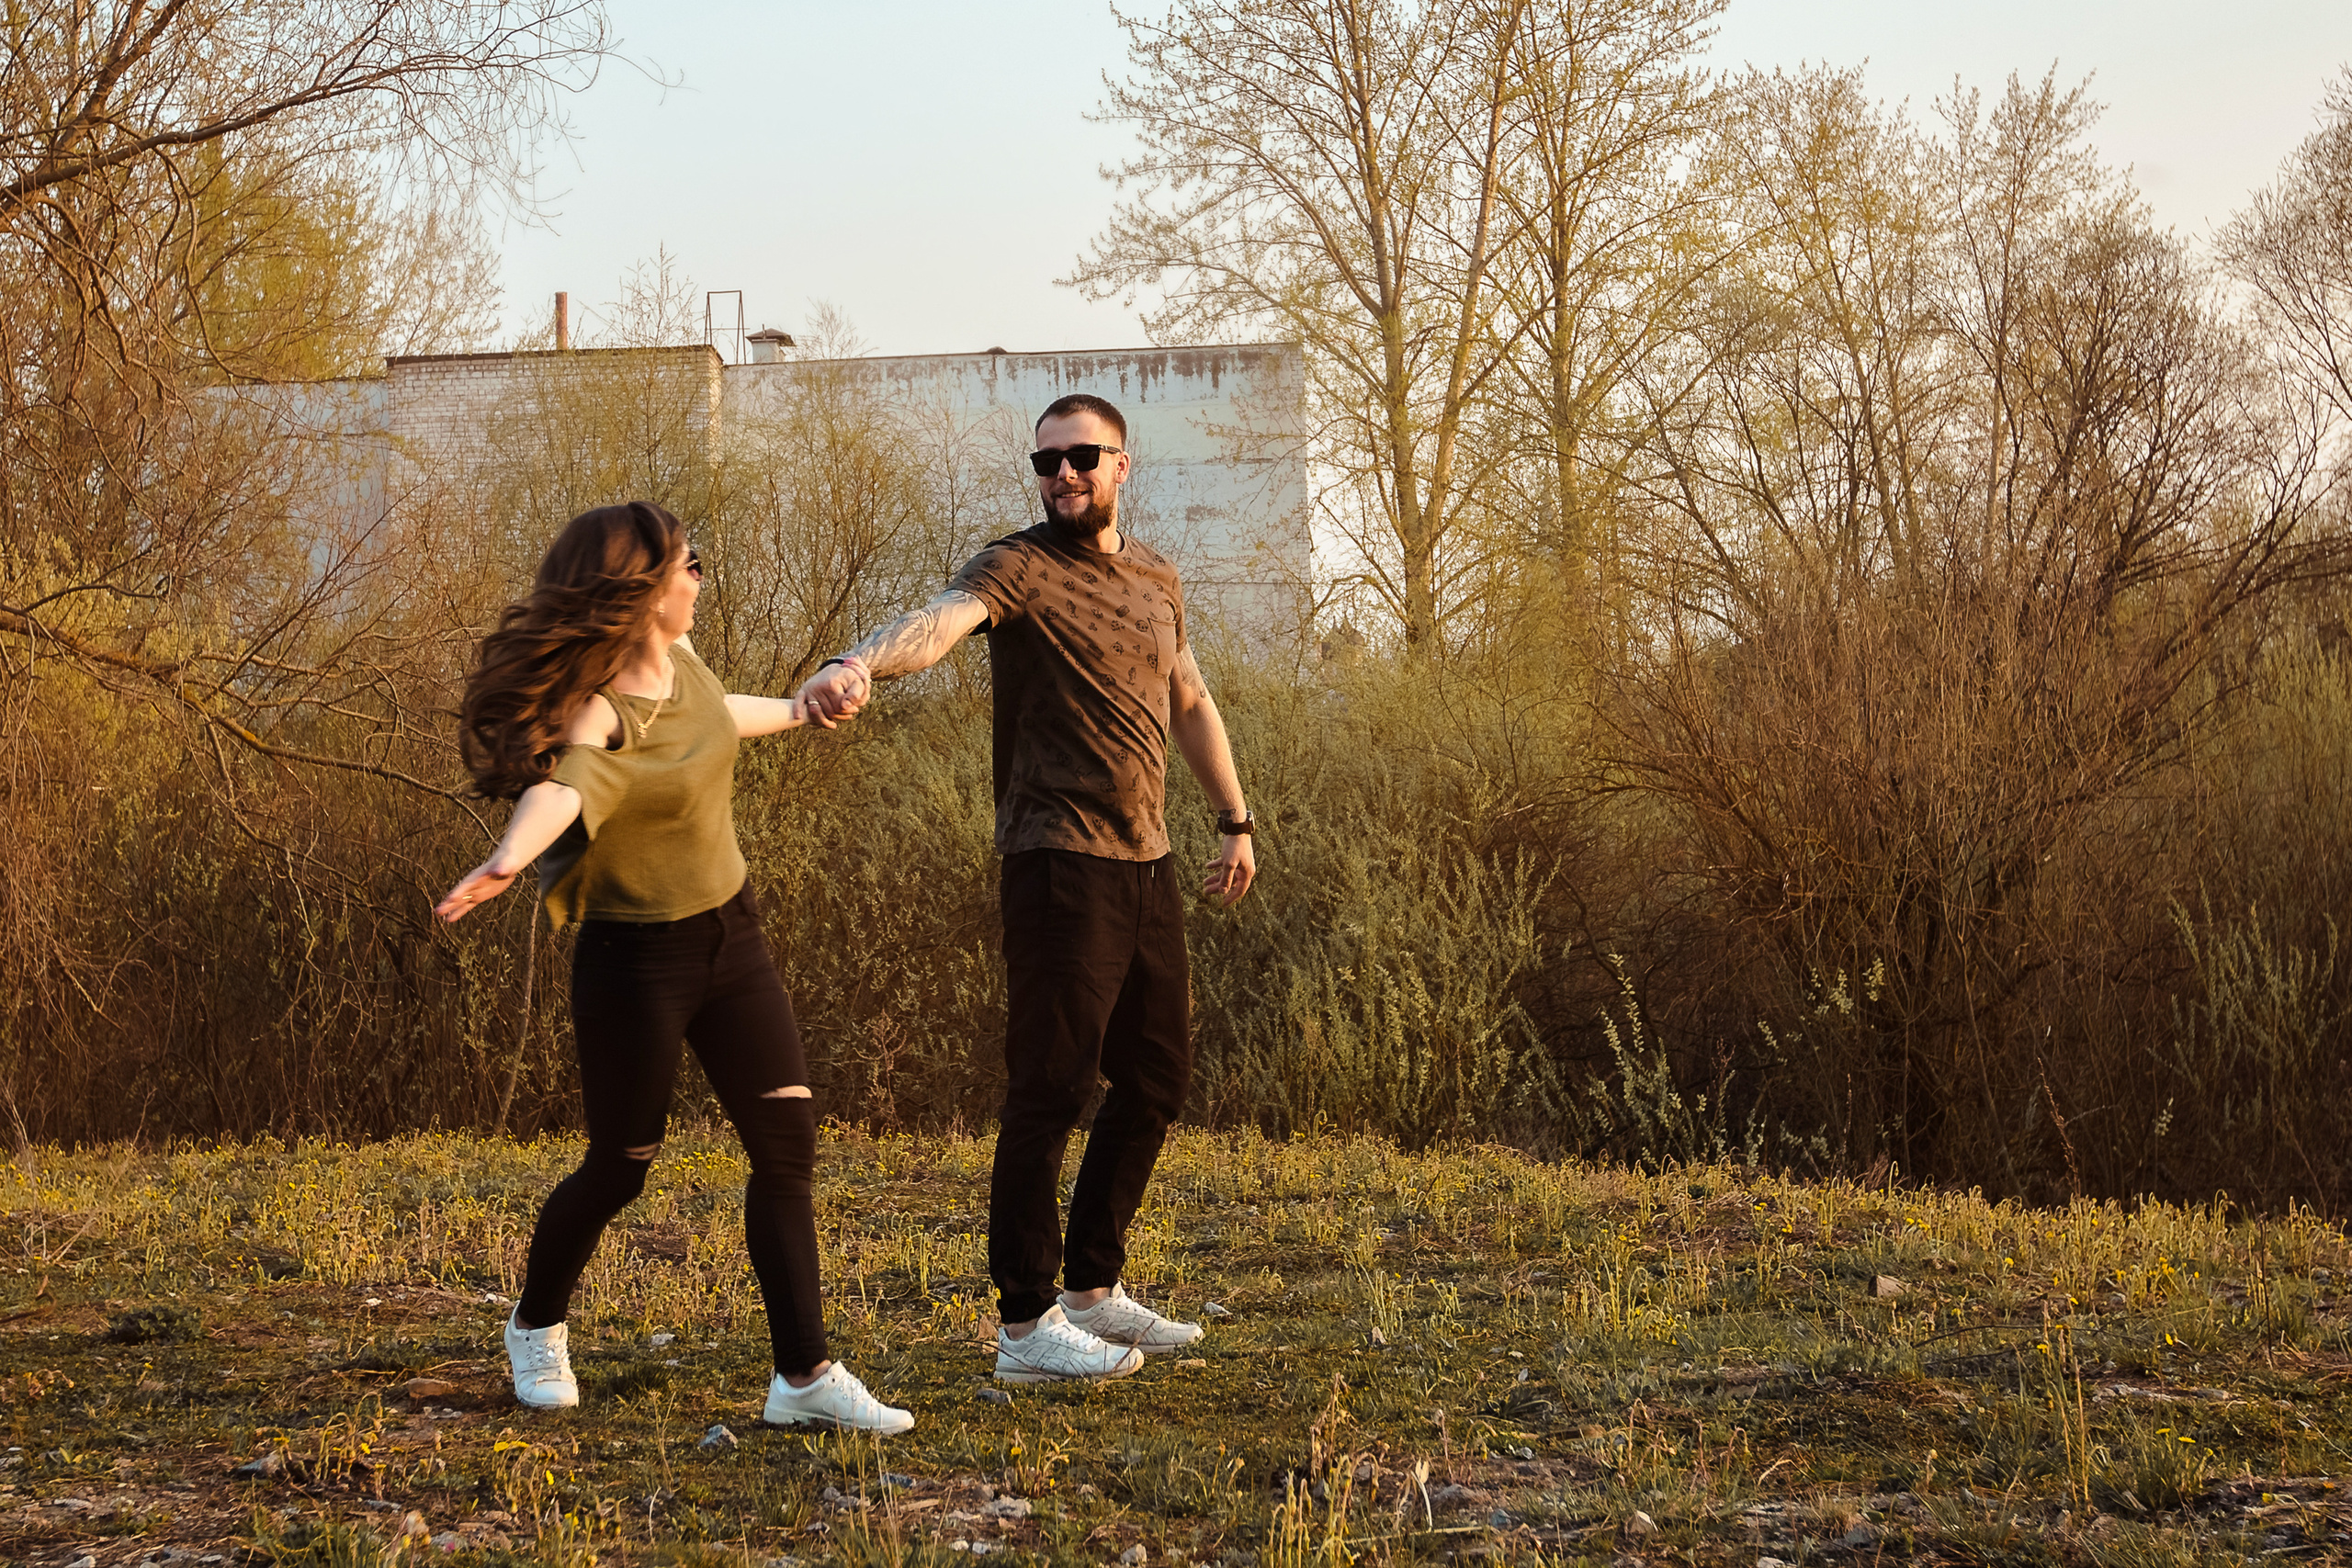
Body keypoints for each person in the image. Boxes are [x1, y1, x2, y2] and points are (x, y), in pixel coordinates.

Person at [796, 393, 1256, 1384]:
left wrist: (1234, 817)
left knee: (1157, 1078)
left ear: (1122, 463)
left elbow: (1188, 695)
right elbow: (939, 622)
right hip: (1055, 862)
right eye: (1046, 463)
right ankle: (1024, 1326)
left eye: (1082, 458)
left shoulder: (1155, 579)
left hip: (1147, 860)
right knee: (1048, 1089)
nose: (1063, 477)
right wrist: (857, 663)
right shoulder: (1019, 567)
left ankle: (1093, 1289)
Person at [435, 501, 911, 1434]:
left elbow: (713, 718)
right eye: (691, 565)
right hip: (632, 962)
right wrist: (508, 860)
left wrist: (802, 709)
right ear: (646, 589)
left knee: (785, 1145)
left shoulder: (681, 666)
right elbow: (562, 787)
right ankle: (535, 1325)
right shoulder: (596, 709)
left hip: (731, 939)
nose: (700, 578)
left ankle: (804, 1377)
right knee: (620, 1165)